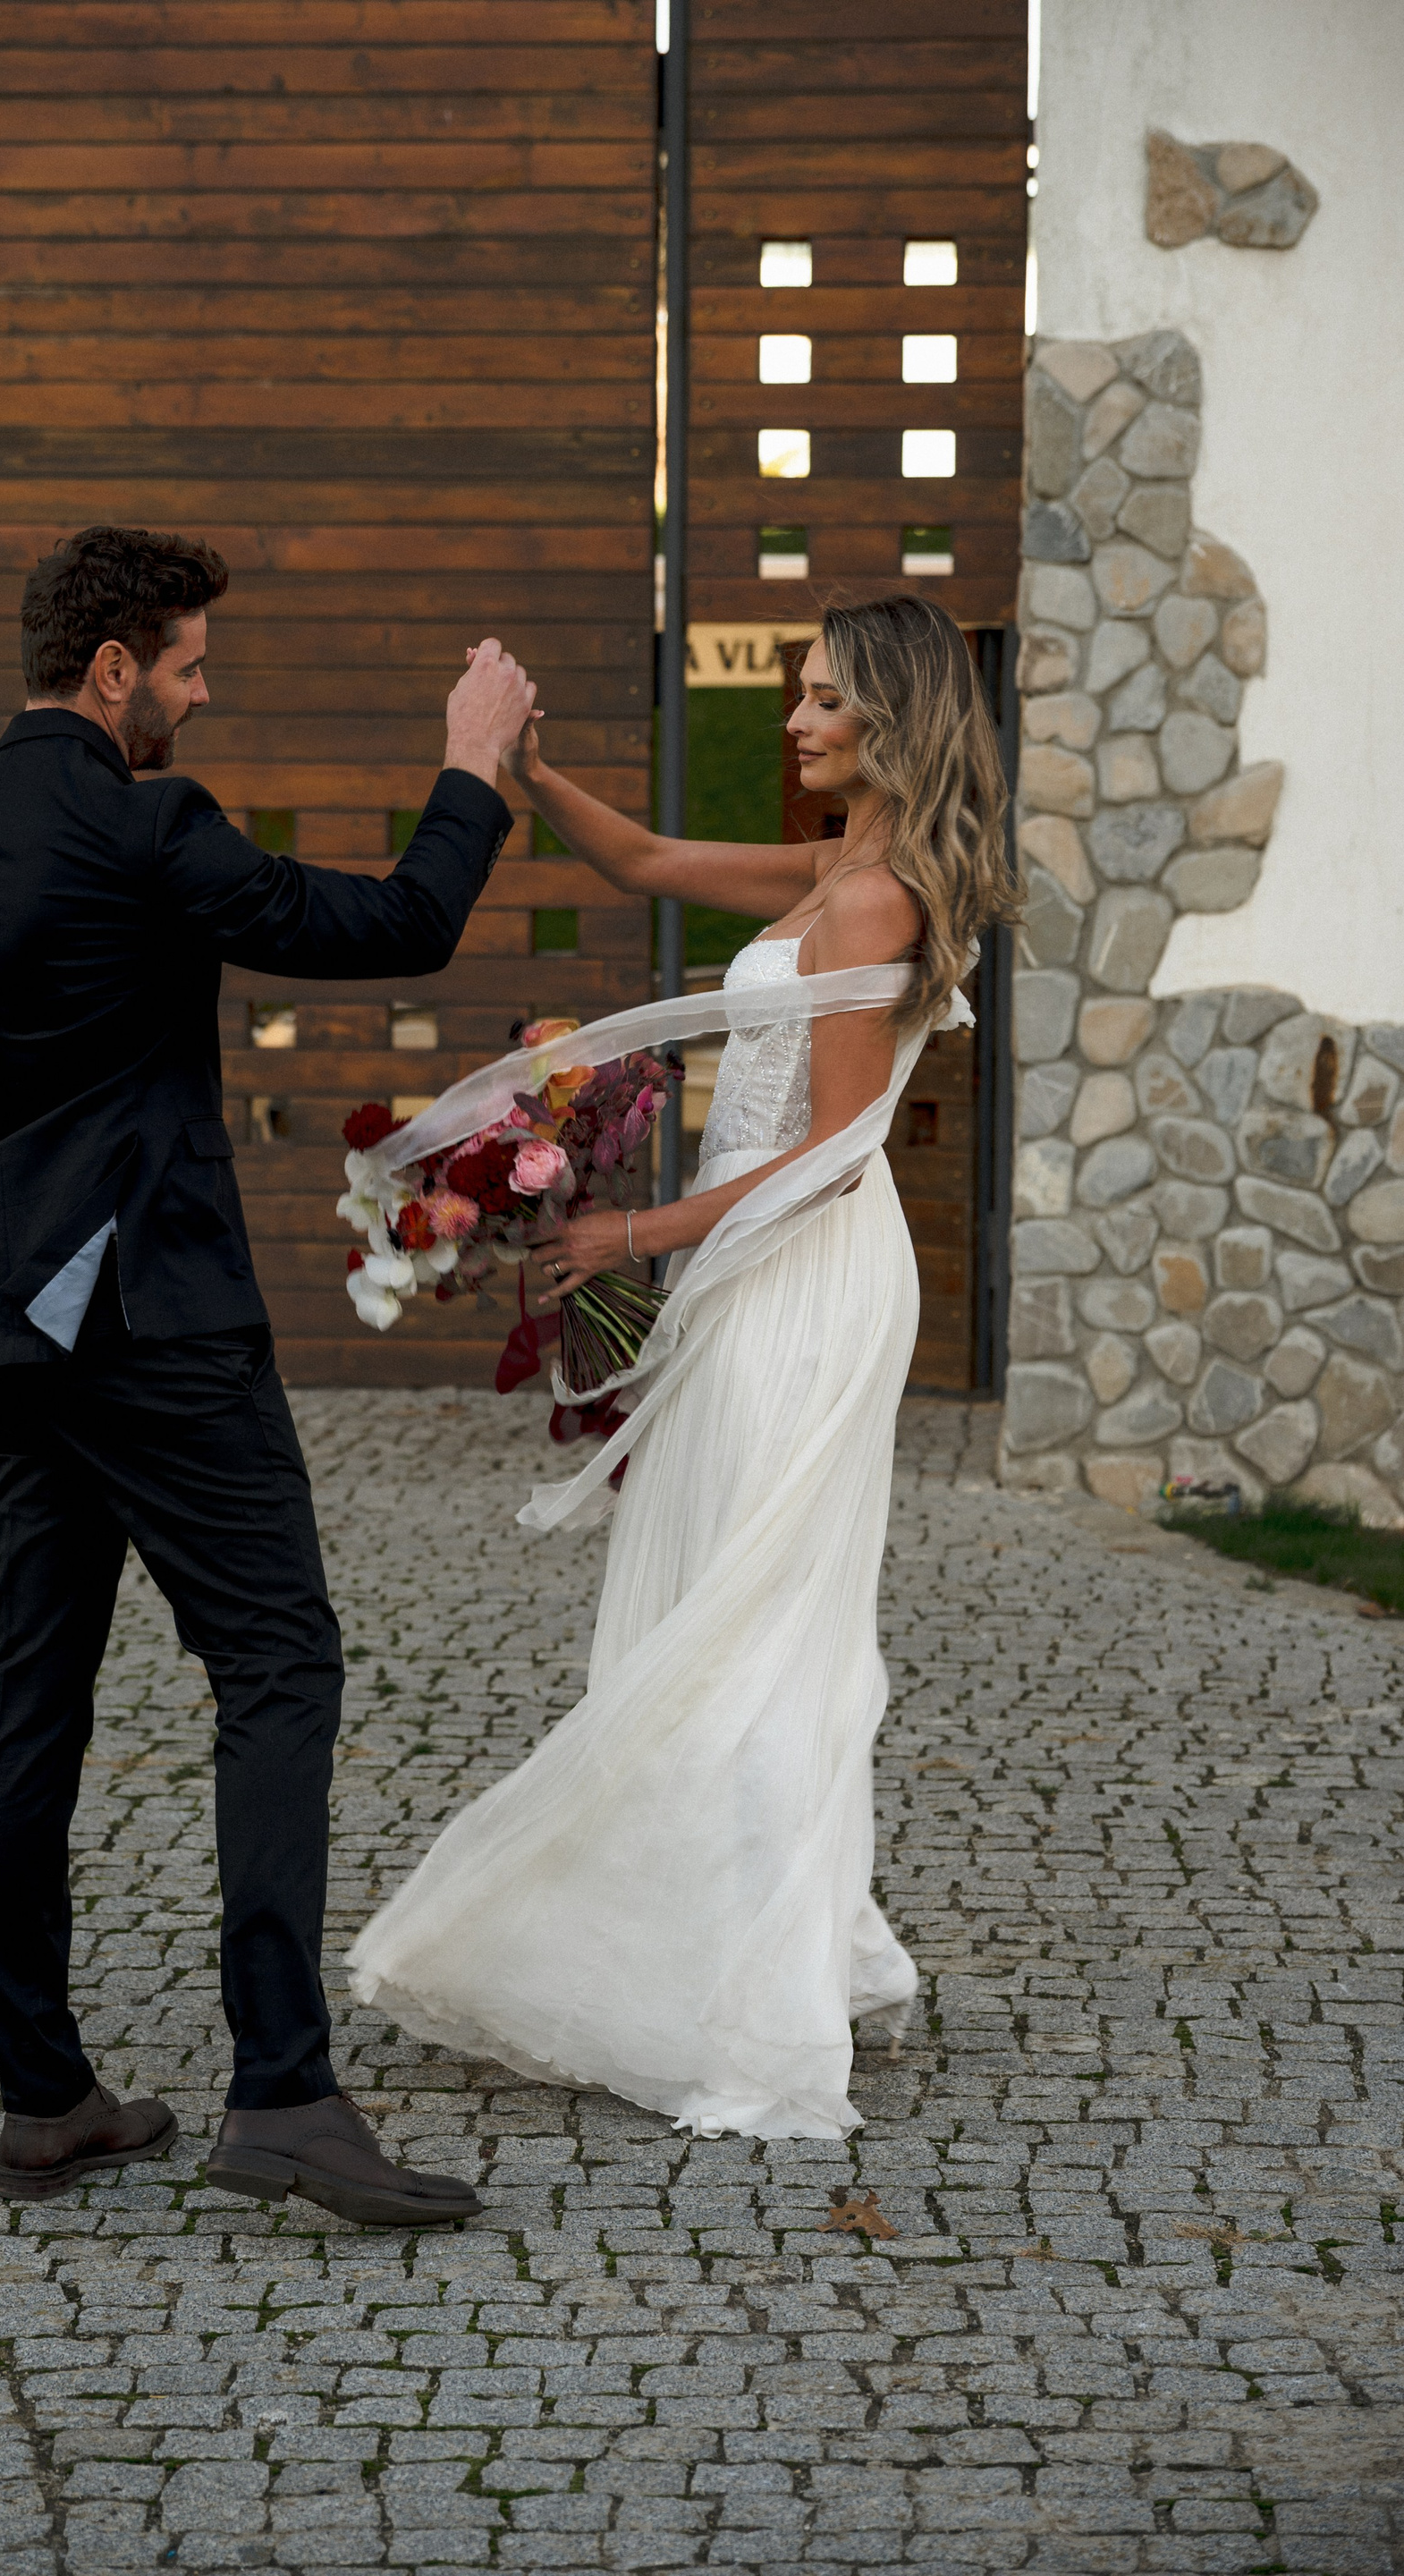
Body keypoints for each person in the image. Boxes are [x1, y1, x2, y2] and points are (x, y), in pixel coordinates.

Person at [0, 524, 535, 2220]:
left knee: (34, 1696)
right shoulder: (153, 827)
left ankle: (44, 2098)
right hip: (156, 1326)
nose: (202, 696)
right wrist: (471, 763)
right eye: (191, 666)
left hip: (1, 1334)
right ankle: (284, 2095)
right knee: (279, 1663)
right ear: (112, 671)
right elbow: (402, 924)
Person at [350, 595, 1019, 2140]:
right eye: (800, 694)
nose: (796, 721)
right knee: (727, 1590)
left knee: (756, 1616)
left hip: (808, 1273)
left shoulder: (875, 901)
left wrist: (633, 1231)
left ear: (896, 717)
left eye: (825, 699)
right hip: (756, 1259)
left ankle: (758, 2003)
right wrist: (530, 775)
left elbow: (834, 1154)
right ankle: (756, 1943)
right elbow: (648, 860)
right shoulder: (835, 870)